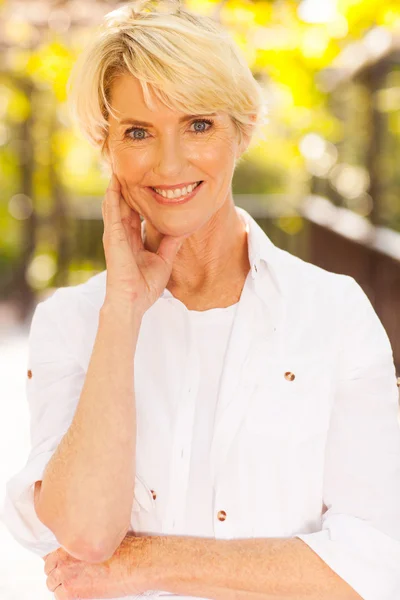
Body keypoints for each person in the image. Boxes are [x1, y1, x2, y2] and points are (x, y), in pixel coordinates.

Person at [3, 1, 400, 599]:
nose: (169, 163)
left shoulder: (334, 314)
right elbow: (85, 536)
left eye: (198, 124)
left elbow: (376, 560)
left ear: (242, 129)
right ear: (106, 147)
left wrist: (142, 563)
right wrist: (123, 311)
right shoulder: (73, 322)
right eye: (138, 132)